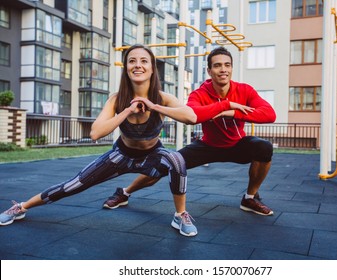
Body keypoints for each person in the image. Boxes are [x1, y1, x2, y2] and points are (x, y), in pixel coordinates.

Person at [0, 44, 200, 236]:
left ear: (152, 68)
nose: (138, 65)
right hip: (121, 155)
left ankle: (180, 215)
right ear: (126, 68)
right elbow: (95, 133)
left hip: (153, 155)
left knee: (176, 160)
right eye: (132, 61)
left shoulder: (162, 98)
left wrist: (154, 106)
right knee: (73, 185)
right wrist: (128, 110)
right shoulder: (116, 99)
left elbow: (191, 117)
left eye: (143, 61)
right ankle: (21, 207)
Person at [103, 46, 277, 219]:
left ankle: (249, 197)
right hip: (208, 145)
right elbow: (194, 115)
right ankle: (125, 192)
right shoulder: (199, 94)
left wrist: (231, 112)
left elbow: (269, 114)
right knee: (167, 164)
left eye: (227, 65)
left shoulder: (244, 90)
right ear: (209, 71)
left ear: (231, 68)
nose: (223, 69)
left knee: (263, 147)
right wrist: (220, 106)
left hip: (237, 144)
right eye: (217, 66)